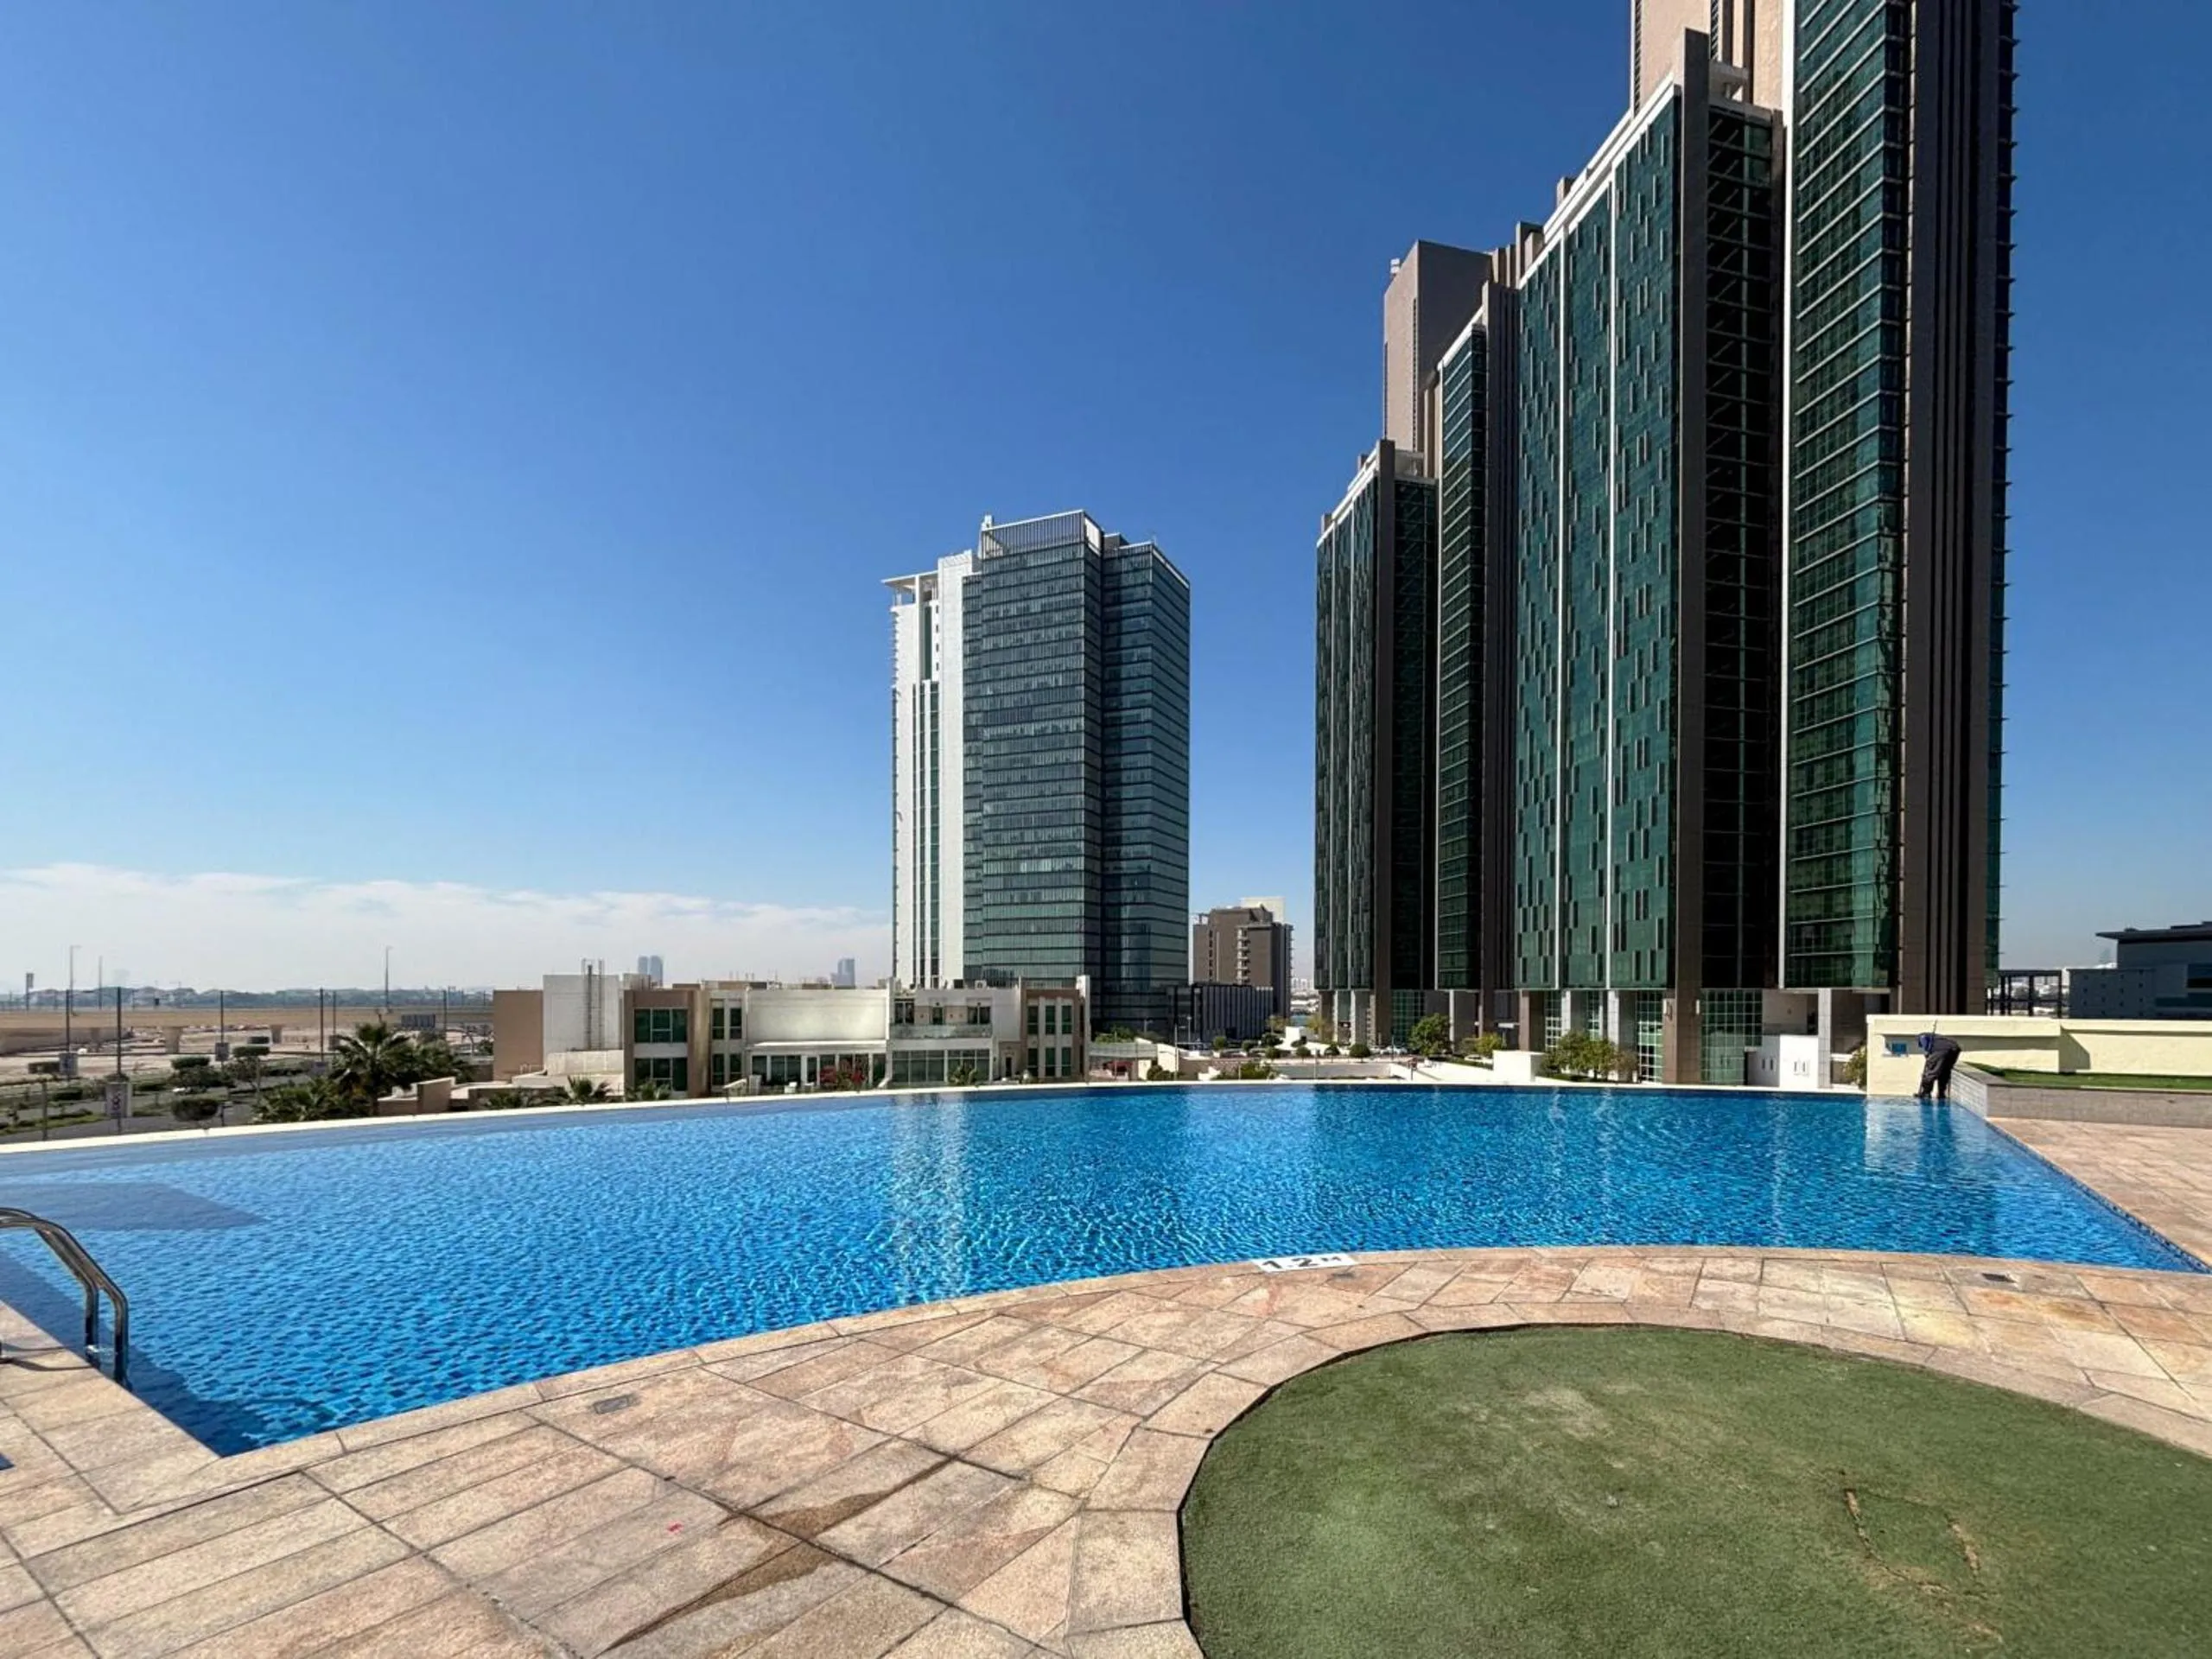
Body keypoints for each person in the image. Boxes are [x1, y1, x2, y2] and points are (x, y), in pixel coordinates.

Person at [1915, 1032, 1962, 1102]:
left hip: (1941, 1050)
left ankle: (1926, 1093)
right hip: (1955, 1049)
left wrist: (1928, 1053)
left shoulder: (1921, 1036)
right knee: (1944, 1071)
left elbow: (1924, 1042)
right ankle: (1941, 1093)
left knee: (1930, 1070)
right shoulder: (1936, 1037)